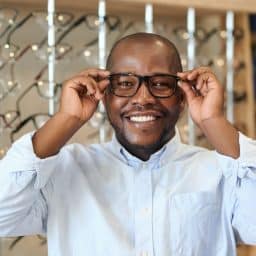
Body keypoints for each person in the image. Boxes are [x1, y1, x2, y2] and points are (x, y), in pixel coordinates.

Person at [0, 32, 255, 256]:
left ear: (182, 98)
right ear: (105, 96)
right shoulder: (63, 171)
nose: (143, 98)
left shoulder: (218, 170)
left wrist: (213, 120)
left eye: (160, 84)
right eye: (124, 84)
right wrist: (66, 119)